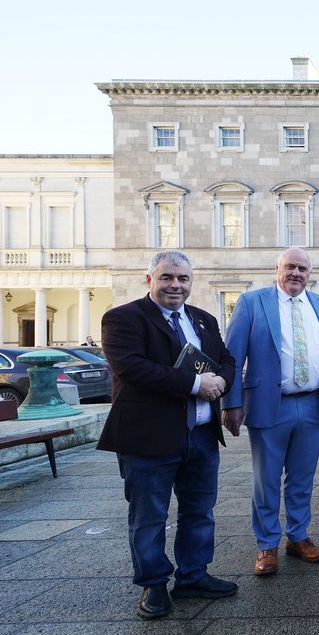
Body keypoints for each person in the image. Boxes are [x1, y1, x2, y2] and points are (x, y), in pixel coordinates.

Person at [98, 251, 237, 619]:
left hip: (201, 436)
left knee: (199, 511)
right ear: (150, 280)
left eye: (183, 279)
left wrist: (221, 379)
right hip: (149, 437)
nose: (175, 285)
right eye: (167, 277)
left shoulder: (203, 320)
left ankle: (193, 576)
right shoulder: (123, 318)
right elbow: (132, 369)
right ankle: (154, 584)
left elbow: (225, 358)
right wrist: (195, 384)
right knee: (149, 515)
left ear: (192, 282)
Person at [222, 247, 319, 576]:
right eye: (290, 266)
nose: (296, 273)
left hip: (313, 403)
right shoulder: (252, 302)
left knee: (302, 479)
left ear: (309, 273)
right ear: (277, 269)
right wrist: (231, 403)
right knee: (267, 480)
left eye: (303, 268)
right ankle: (266, 544)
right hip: (269, 405)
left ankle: (298, 537)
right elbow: (233, 355)